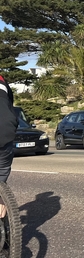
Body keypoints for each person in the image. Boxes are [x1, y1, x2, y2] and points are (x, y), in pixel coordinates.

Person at [0, 74, 17, 218]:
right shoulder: (3, 81)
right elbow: (10, 106)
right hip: (6, 131)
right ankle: (1, 201)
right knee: (1, 174)